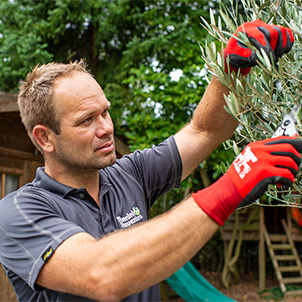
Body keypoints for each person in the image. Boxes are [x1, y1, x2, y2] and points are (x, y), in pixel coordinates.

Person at [0, 20, 299, 302]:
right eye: (86, 120)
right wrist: (231, 187)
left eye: (105, 112)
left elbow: (204, 132)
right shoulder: (18, 214)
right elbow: (101, 274)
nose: (106, 128)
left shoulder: (129, 174)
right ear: (45, 138)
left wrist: (230, 71)